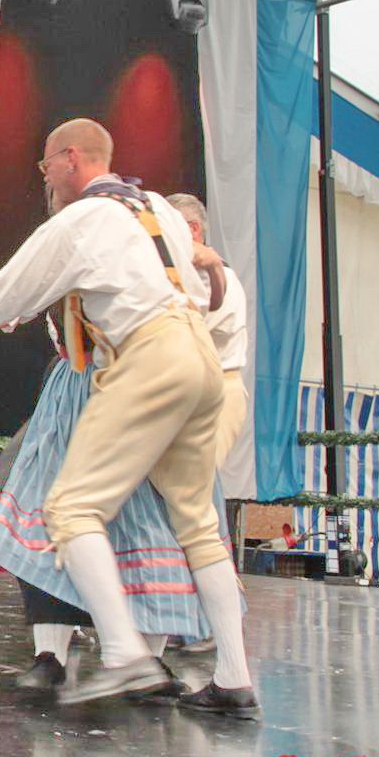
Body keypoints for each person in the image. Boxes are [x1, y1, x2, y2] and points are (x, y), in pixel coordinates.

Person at [0, 118, 256, 717]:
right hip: (198, 360)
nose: (44, 178)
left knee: (69, 509)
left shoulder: (83, 219)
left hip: (145, 357)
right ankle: (235, 681)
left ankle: (125, 655)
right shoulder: (155, 210)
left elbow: (5, 294)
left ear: (69, 159)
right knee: (195, 522)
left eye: (45, 166)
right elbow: (197, 289)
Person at [163, 193, 251, 655]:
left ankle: (210, 622)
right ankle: (182, 616)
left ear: (193, 231)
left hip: (216, 395)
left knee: (193, 505)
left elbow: (183, 330)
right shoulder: (183, 280)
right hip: (187, 397)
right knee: (181, 506)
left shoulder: (221, 281)